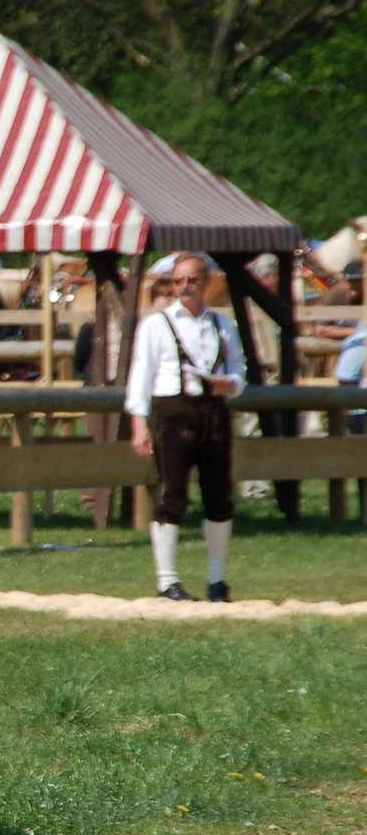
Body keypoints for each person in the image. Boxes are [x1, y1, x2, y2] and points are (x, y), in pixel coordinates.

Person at [126, 252, 247, 601]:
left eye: (192, 280)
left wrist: (231, 385)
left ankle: (216, 579)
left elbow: (239, 369)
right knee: (171, 495)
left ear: (207, 282)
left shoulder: (223, 324)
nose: (184, 287)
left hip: (214, 413)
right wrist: (139, 424)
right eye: (178, 281)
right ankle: (167, 581)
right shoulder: (155, 324)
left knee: (219, 496)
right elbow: (140, 377)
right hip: (174, 414)